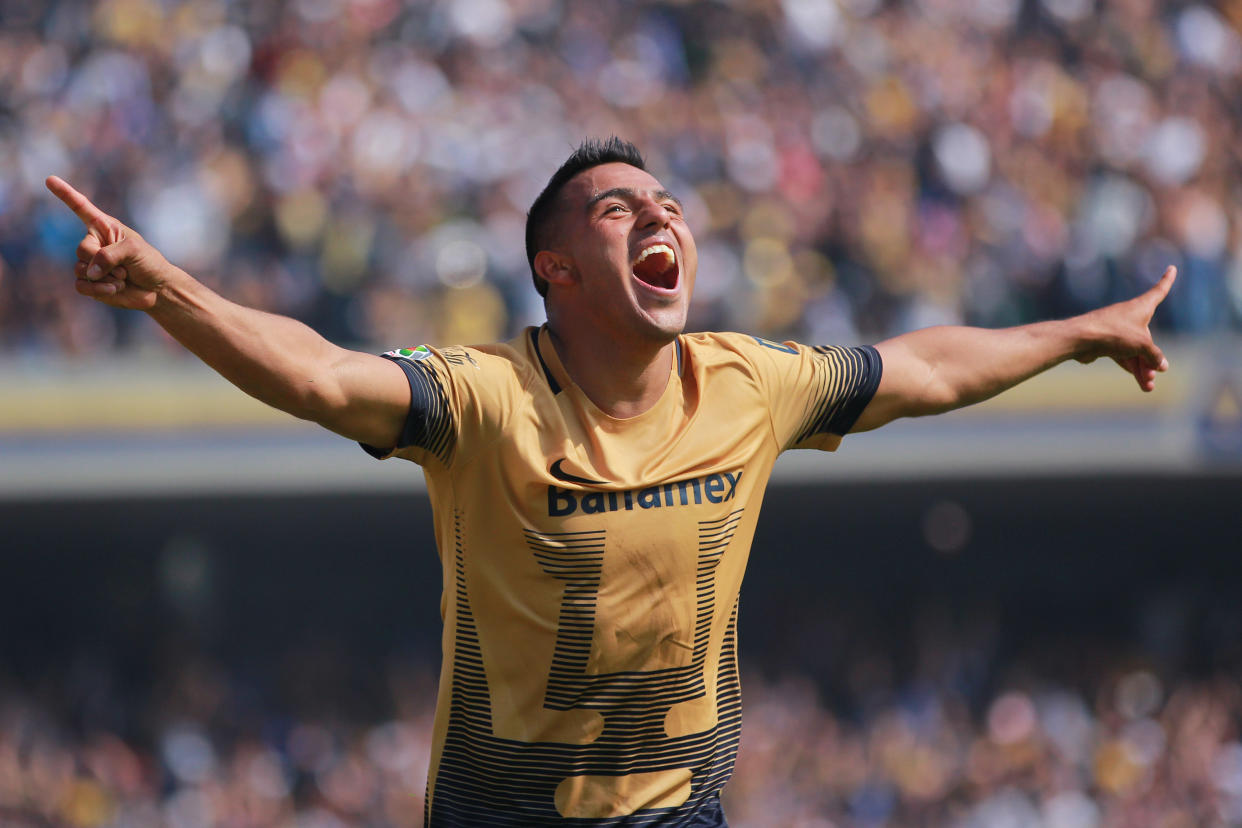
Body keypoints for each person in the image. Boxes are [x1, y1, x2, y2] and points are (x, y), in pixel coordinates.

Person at [46, 137, 1174, 826]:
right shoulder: (484, 398)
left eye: (668, 205)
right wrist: (164, 289)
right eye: (620, 208)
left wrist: (1078, 331)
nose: (661, 216)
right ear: (556, 267)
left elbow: (925, 367)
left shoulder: (752, 382)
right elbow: (321, 377)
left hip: (681, 816)